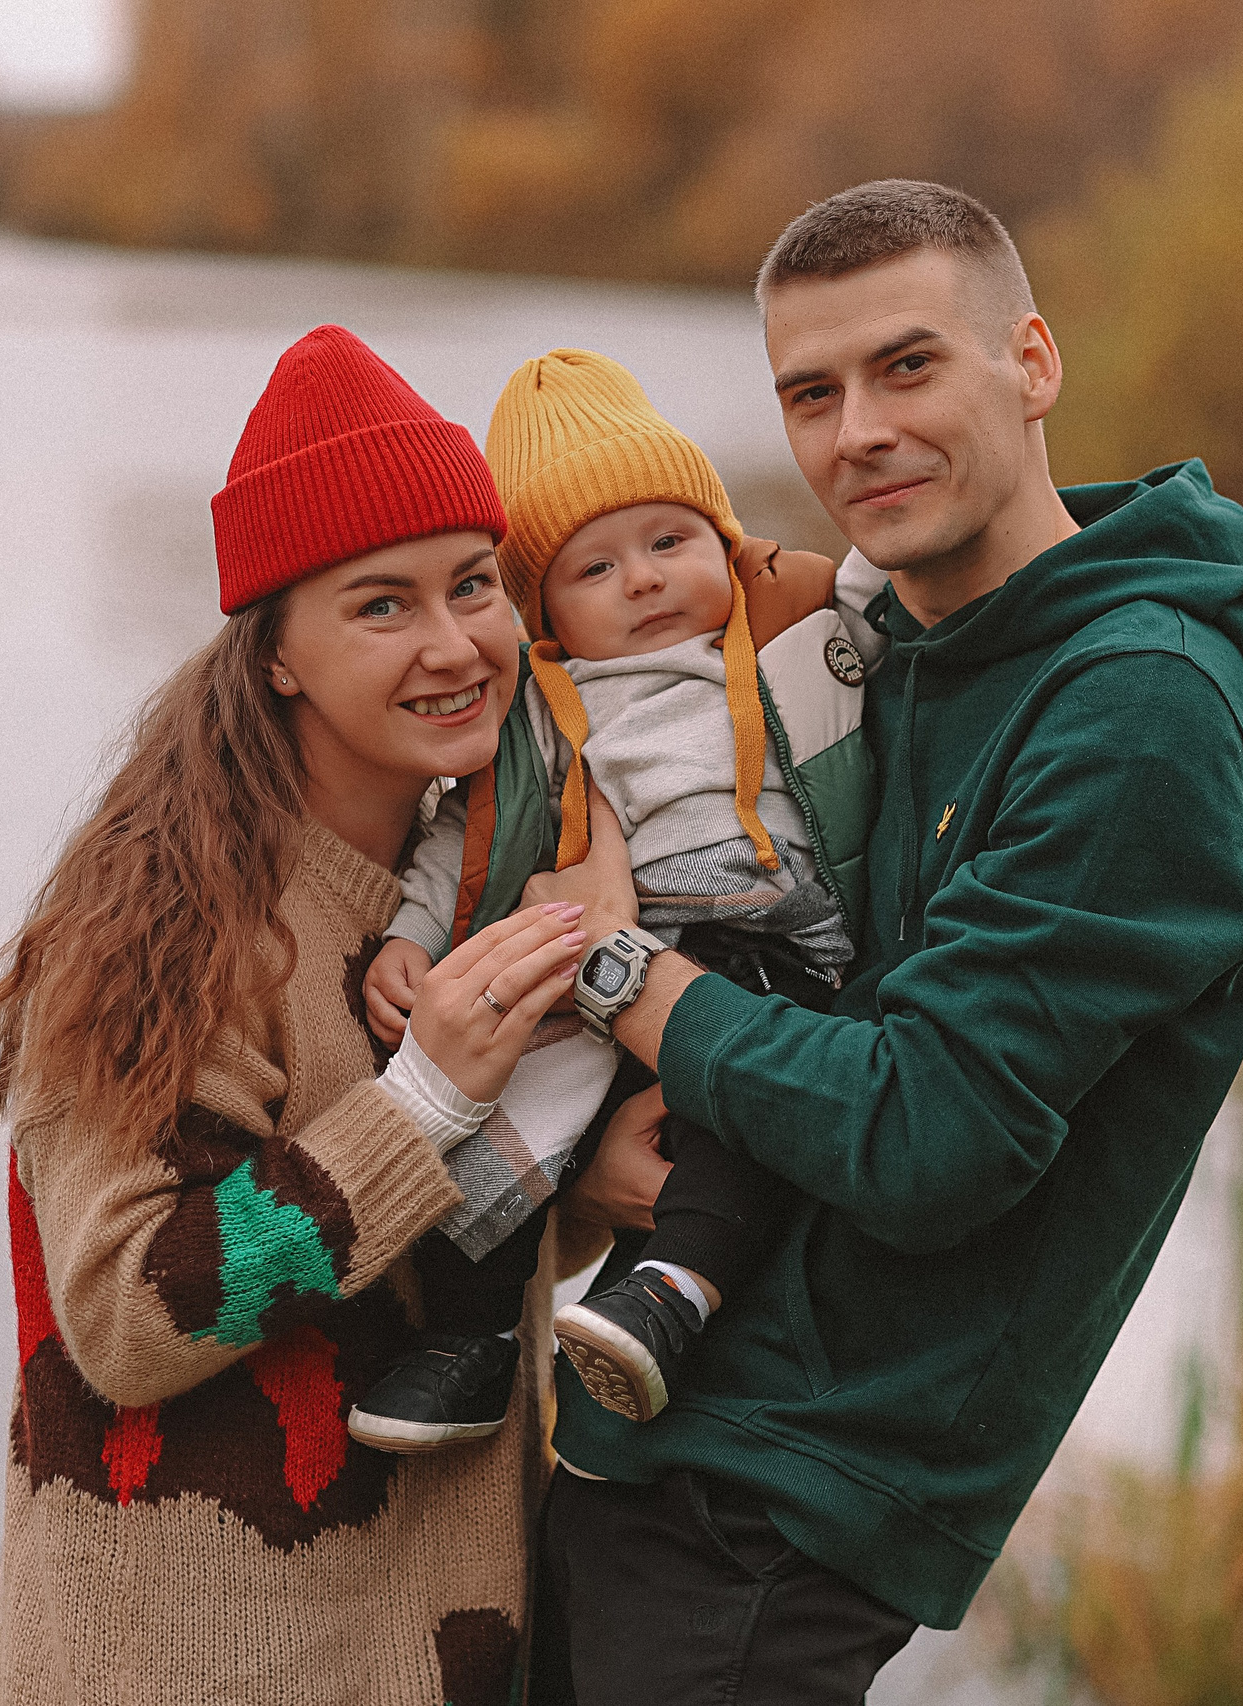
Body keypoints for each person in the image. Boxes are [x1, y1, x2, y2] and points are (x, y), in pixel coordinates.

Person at [527, 180, 1243, 1703]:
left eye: (907, 367)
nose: (855, 432)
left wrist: (616, 969)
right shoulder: (886, 650)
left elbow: (927, 1132)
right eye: (809, 394)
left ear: (1032, 362)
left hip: (786, 1504)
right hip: (672, 1432)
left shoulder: (1139, 709)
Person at [0, 324, 661, 1705]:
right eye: (381, 605)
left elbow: (417, 1244)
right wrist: (427, 1096)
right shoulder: (163, 919)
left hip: (417, 1647)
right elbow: (126, 1314)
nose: (457, 642)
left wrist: (588, 1193)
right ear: (275, 650)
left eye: (472, 584)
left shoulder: (477, 869)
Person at [353, 348, 885, 1444]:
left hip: (768, 947)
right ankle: (472, 1341)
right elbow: (458, 835)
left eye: (669, 540)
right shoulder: (544, 708)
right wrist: (410, 933)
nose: (642, 580)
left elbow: (918, 601)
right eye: (592, 570)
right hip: (591, 965)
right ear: (540, 607)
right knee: (507, 1114)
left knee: (740, 1107)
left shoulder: (793, 638)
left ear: (723, 545)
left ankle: (669, 1292)